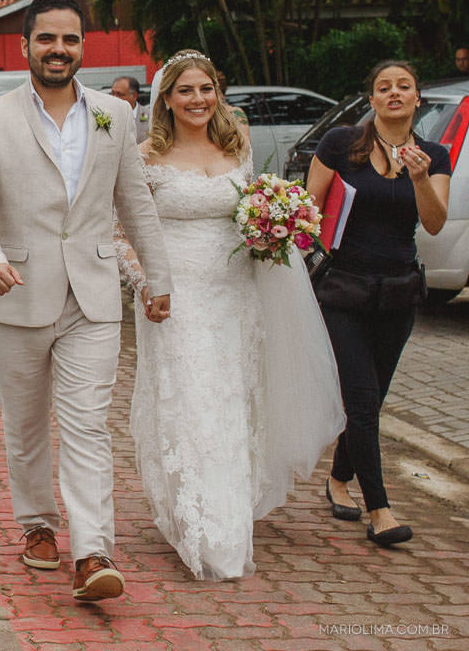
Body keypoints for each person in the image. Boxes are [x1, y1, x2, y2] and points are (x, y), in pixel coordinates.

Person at [0, 0, 172, 601]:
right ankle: (37, 526)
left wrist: (160, 279)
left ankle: (92, 552)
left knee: (87, 426)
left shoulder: (114, 115)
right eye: (46, 39)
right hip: (17, 292)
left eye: (69, 39)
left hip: (94, 297)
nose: (58, 50)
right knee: (25, 426)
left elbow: (136, 203)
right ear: (25, 46)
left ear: (83, 46)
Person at [118, 50, 344, 580]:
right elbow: (118, 227)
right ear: (166, 100)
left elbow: (247, 212)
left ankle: (225, 509)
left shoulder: (236, 145)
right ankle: (198, 521)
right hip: (173, 294)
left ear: (216, 93)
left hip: (236, 291)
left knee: (232, 397)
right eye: (185, 91)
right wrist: (145, 282)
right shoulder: (145, 154)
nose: (198, 100)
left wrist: (273, 224)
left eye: (206, 89)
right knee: (189, 399)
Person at [307, 60, 450, 547]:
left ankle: (337, 478)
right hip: (342, 290)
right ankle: (381, 510)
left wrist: (420, 180)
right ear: (370, 99)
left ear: (415, 99)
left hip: (399, 292)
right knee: (363, 401)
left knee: (372, 400)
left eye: (403, 87)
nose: (394, 93)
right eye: (383, 87)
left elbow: (433, 223)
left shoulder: (434, 154)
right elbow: (307, 211)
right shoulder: (340, 145)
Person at [110, 75, 149, 142]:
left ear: (134, 95)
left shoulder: (150, 116)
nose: (114, 98)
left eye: (119, 94)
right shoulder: (107, 115)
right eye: (113, 94)